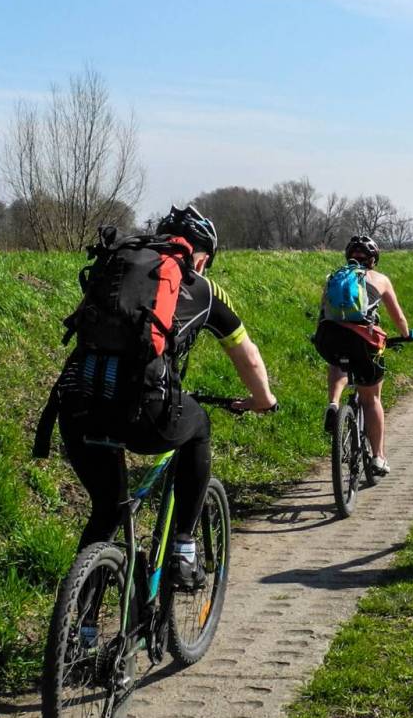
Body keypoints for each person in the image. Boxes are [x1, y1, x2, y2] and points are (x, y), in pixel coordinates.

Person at [59, 205, 276, 590]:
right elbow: (248, 356)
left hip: (78, 403)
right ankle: (184, 549)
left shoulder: (118, 266)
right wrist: (263, 399)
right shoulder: (202, 287)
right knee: (198, 426)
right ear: (202, 257)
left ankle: (82, 618)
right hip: (143, 409)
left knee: (108, 508)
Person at [312, 235, 413, 477]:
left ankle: (334, 403)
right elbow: (398, 317)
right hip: (363, 341)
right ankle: (378, 457)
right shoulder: (380, 280)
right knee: (371, 399)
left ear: (348, 256)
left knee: (337, 361)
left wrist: (319, 335)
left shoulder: (333, 277)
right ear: (373, 259)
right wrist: (406, 334)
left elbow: (324, 311)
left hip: (328, 335)